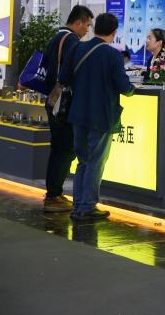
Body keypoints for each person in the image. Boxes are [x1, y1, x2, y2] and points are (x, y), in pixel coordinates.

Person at [59, 12, 134, 221]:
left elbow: (64, 77)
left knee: (82, 160)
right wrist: (132, 89)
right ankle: (87, 206)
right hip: (101, 116)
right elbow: (124, 87)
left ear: (95, 28)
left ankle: (78, 204)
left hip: (77, 114)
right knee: (96, 162)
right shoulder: (112, 55)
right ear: (114, 32)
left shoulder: (77, 48)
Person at [41, 4, 93, 213]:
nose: (87, 30)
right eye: (87, 25)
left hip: (53, 100)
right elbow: (72, 71)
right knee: (64, 149)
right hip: (62, 103)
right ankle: (53, 196)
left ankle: (54, 192)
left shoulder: (57, 37)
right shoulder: (70, 40)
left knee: (59, 148)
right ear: (78, 22)